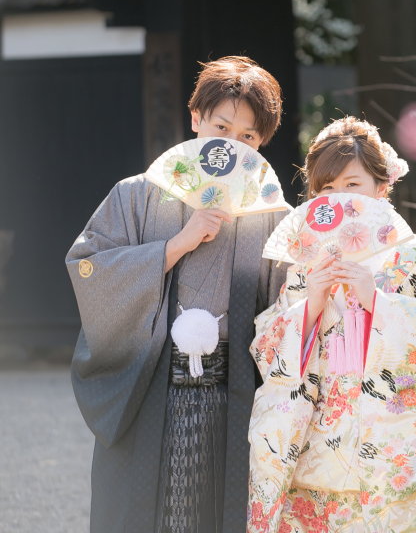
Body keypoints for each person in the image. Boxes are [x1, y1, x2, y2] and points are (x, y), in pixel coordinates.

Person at [66, 55, 291, 533]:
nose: (232, 145)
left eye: (248, 137)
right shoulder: (136, 195)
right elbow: (89, 268)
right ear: (196, 119)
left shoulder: (271, 213)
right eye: (221, 127)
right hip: (149, 390)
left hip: (234, 397)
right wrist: (173, 246)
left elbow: (288, 314)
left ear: (262, 143)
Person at [247, 116, 416, 533]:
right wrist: (310, 306)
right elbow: (267, 349)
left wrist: (378, 302)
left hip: (399, 440)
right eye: (326, 189)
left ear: (381, 187)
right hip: (319, 440)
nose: (339, 199)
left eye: (353, 185)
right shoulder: (305, 265)